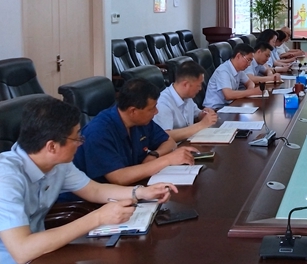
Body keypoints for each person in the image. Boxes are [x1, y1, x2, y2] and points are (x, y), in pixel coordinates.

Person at [0, 96, 178, 264]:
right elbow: (22, 250)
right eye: (76, 137)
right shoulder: (6, 179)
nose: (81, 143)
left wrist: (141, 192)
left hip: (44, 253)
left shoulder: (57, 163)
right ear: (52, 146)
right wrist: (98, 217)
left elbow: (94, 190)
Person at [73, 78, 197, 185]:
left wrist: (154, 155)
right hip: (91, 199)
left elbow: (169, 142)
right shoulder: (99, 132)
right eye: (152, 109)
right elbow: (119, 177)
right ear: (133, 111)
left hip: (131, 187)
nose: (156, 112)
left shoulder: (140, 122)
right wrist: (167, 160)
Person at [153, 60, 217, 142]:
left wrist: (204, 114)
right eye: (198, 85)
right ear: (185, 84)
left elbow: (196, 114)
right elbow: (165, 136)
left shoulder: (187, 97)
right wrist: (201, 125)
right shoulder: (163, 103)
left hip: (189, 141)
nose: (200, 88)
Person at [203, 43, 261, 109]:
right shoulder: (223, 71)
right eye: (248, 60)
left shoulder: (239, 70)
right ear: (238, 56)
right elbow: (228, 95)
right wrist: (251, 92)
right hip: (214, 109)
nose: (249, 64)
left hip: (228, 105)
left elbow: (250, 82)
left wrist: (250, 90)